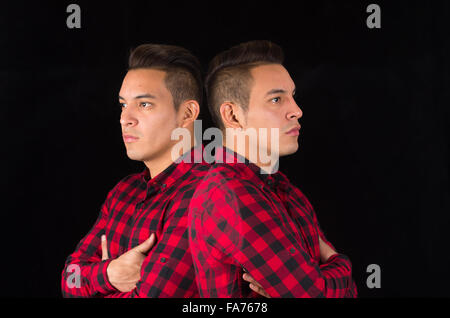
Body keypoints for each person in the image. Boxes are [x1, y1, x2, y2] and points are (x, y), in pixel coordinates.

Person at [188, 40, 357, 297]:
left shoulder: (283, 188)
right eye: (276, 99)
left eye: (292, 97)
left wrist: (325, 276)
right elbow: (315, 294)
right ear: (232, 116)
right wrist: (339, 263)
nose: (297, 111)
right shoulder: (229, 194)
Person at [61, 43, 208, 297]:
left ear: (187, 113)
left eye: (144, 105)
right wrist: (110, 274)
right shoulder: (123, 192)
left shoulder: (209, 192)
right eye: (123, 105)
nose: (124, 118)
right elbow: (69, 280)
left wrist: (97, 281)